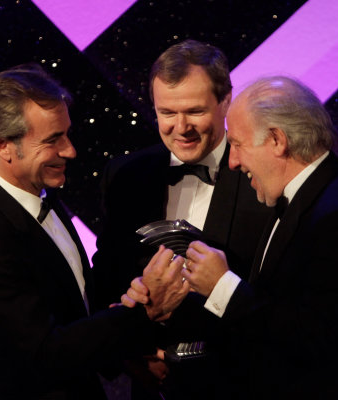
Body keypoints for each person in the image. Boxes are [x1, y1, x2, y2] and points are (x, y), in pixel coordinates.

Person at [126, 76, 338, 399]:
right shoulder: (299, 197)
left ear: (277, 141)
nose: (233, 161)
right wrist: (175, 311)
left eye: (238, 145)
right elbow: (271, 313)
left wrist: (223, 285)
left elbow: (318, 338)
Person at [0, 64, 189, 400]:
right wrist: (145, 313)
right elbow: (47, 352)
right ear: (3, 146)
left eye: (66, 134)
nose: (70, 150)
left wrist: (125, 353)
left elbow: (75, 307)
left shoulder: (37, 188)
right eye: (52, 140)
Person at [91, 40, 272, 398]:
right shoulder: (126, 176)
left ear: (226, 101)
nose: (181, 127)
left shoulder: (262, 178)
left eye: (194, 111)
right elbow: (105, 283)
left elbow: (278, 300)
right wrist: (130, 346)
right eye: (167, 112)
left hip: (237, 385)